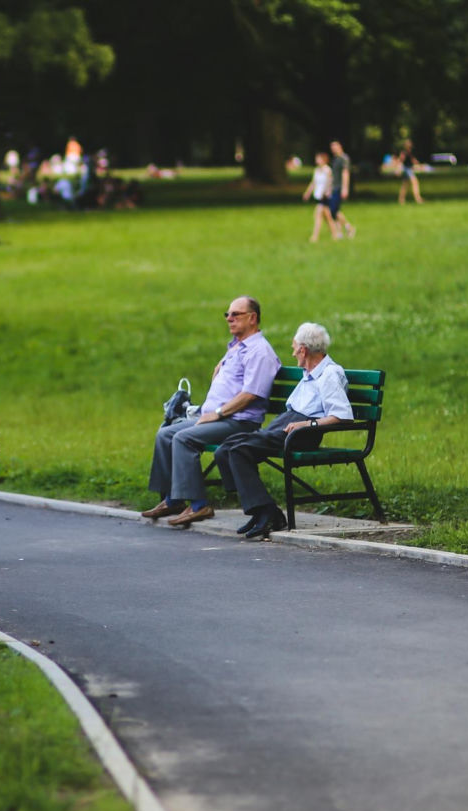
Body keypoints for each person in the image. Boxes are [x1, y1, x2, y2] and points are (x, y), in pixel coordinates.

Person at [142, 296, 281, 526]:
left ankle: (199, 505)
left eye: (236, 314)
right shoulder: (237, 347)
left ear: (252, 318)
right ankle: (173, 498)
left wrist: (217, 413)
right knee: (165, 433)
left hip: (238, 421)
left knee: (183, 438)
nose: (229, 319)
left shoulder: (260, 351)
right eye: (227, 314)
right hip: (218, 417)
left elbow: (251, 394)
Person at [214, 322, 353, 539]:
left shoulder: (329, 374)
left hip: (302, 433)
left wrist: (307, 424)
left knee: (239, 450)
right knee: (226, 448)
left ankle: (268, 513)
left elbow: (342, 415)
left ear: (303, 350)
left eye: (294, 347)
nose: (292, 352)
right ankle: (259, 509)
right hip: (288, 424)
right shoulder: (310, 372)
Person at [302, 151, 338, 242]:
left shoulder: (327, 170)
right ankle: (335, 234)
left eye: (318, 158)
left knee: (318, 215)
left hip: (324, 196)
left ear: (323, 160)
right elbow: (313, 183)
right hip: (318, 195)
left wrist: (326, 192)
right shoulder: (316, 170)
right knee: (328, 217)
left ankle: (314, 236)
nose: (316, 160)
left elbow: (330, 182)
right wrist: (307, 193)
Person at [328, 140, 356, 239]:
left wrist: (345, 188)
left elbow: (345, 173)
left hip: (340, 187)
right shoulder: (335, 159)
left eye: (335, 146)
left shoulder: (344, 158)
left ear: (340, 146)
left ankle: (349, 227)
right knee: (335, 210)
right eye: (332, 147)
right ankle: (340, 232)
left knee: (333, 210)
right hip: (334, 187)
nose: (333, 149)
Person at [397, 139, 424, 204]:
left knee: (405, 185)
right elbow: (400, 161)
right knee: (415, 182)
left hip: (409, 169)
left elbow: (413, 160)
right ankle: (418, 198)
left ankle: (401, 200)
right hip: (407, 169)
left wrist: (419, 165)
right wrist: (398, 169)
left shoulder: (409, 152)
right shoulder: (404, 152)